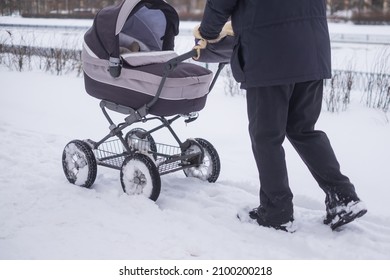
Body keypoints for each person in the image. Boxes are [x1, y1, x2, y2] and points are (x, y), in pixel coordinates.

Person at [196, 0, 367, 232]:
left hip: (269, 54)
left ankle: (277, 212)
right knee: (303, 129)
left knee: (266, 136)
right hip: (311, 51)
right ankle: (344, 197)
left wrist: (207, 34)